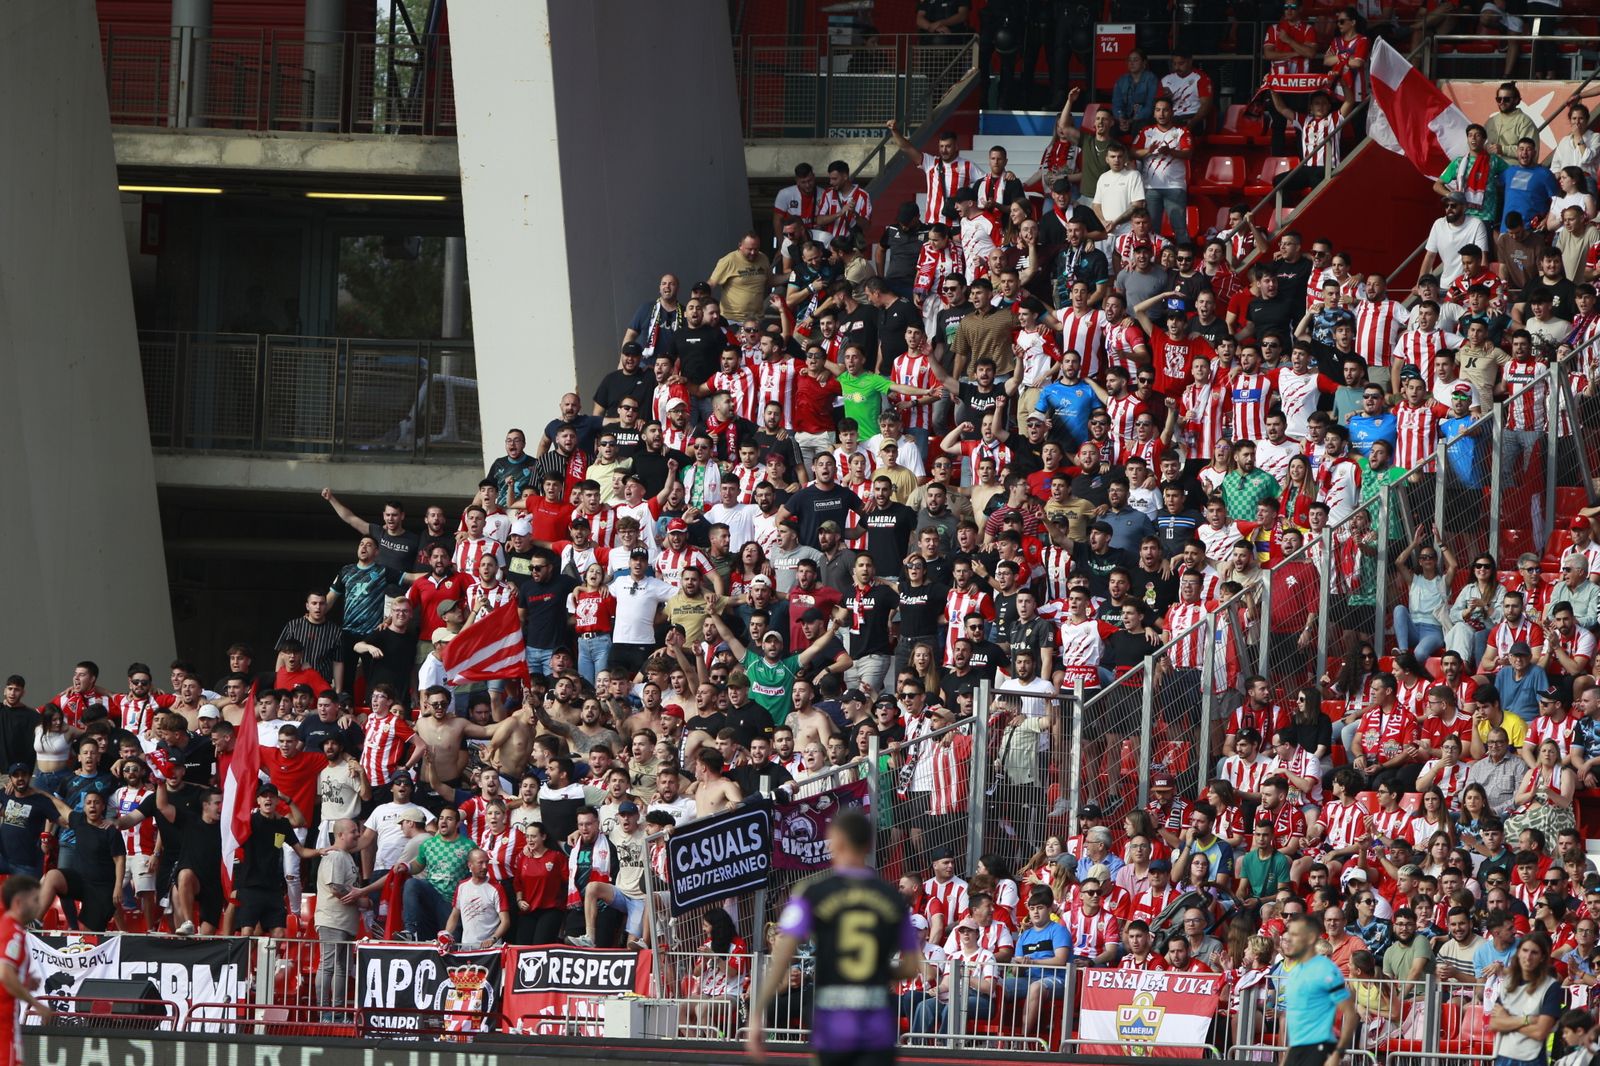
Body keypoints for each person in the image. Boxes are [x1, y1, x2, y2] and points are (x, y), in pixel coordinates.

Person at [748, 810, 917, 1063]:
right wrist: (876, 969)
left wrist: (757, 1014)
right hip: (877, 1027)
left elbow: (782, 954)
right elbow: (912, 967)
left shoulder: (812, 893)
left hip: (833, 1027)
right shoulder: (894, 899)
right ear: (869, 844)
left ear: (835, 842)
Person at [1281, 914, 1357, 1066]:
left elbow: (1350, 1014)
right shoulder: (1295, 971)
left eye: (1295, 935)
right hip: (1296, 1049)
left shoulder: (1326, 969)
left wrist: (1337, 1054)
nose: (1289, 939)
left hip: (1319, 1048)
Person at [0, 875, 54, 1062]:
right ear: (18, 902)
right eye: (35, 900)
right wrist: (37, 1004)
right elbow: (5, 973)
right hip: (4, 1021)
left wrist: (23, 981)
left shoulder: (7, 927)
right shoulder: (13, 932)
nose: (40, 905)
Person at [1489, 932, 1562, 1066]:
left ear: (1542, 957)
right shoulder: (1507, 983)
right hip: (1504, 1056)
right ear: (1518, 952)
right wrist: (1527, 1020)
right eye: (1525, 950)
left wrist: (1507, 1021)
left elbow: (1540, 1032)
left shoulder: (1551, 987)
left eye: (1534, 952)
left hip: (1532, 1059)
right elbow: (1494, 1024)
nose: (1528, 957)